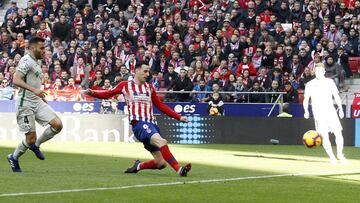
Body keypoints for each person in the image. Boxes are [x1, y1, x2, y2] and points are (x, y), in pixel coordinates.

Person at [85, 62, 191, 176]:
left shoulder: (149, 87)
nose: (147, 74)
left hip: (152, 125)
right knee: (162, 141)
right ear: (136, 71)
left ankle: (138, 166)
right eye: (145, 71)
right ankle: (179, 169)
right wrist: (93, 93)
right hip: (139, 124)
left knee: (161, 163)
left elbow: (160, 105)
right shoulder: (125, 85)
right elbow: (108, 94)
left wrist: (178, 117)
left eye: (148, 72)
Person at [7, 37, 63, 172]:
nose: (44, 51)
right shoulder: (26, 61)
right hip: (25, 103)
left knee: (57, 125)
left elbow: (33, 81)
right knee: (30, 138)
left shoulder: (37, 61)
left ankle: (36, 146)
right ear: (32, 48)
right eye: (41, 48)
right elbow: (16, 80)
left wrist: (39, 95)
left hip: (37, 101)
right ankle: (14, 157)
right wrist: (34, 90)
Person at [303, 63, 346, 164]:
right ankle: (332, 157)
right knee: (324, 136)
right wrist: (306, 110)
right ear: (314, 72)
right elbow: (306, 99)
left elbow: (336, 96)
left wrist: (340, 108)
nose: (318, 72)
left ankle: (340, 154)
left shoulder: (330, 82)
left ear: (324, 71)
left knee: (338, 133)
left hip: (330, 111)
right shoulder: (310, 84)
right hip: (318, 113)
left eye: (320, 71)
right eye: (317, 71)